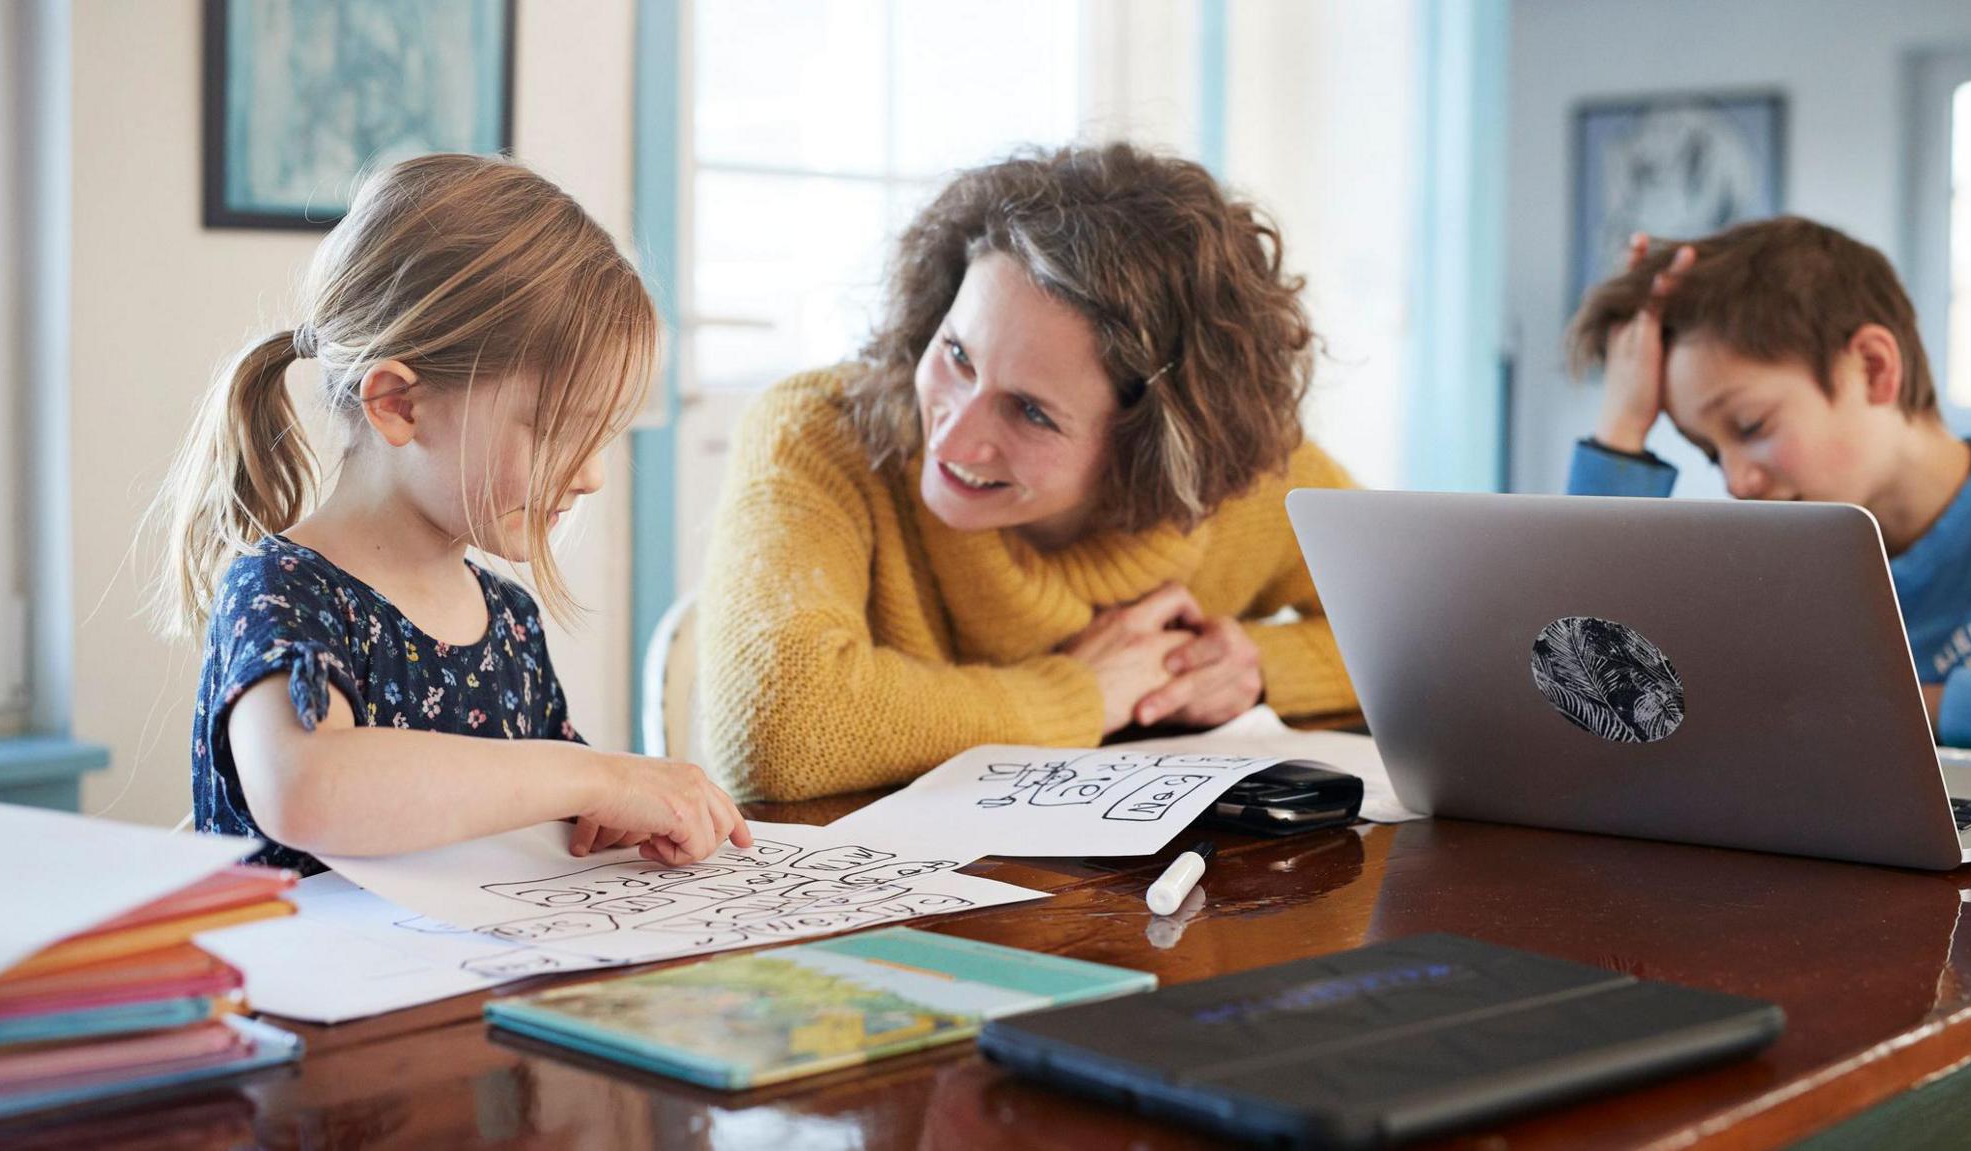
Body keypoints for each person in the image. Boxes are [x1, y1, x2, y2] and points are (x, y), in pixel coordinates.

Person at [699, 143, 1360, 802]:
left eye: (1029, 411)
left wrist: (1253, 664)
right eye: (957, 353)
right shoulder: (819, 430)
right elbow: (770, 729)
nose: (951, 433)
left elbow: (1442, 638)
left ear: (1153, 446)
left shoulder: (1247, 477)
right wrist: (1080, 695)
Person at [149, 153, 749, 874]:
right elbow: (308, 789)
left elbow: (549, 817)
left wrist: (617, 812)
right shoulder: (281, 592)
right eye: (557, 431)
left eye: (601, 440)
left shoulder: (511, 622)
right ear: (398, 404)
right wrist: (598, 776)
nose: (590, 476)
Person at [1565, 217, 1971, 749]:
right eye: (1709, 453)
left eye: (1751, 427)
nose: (1736, 483)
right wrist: (1621, 430)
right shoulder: (1776, 557)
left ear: (1872, 367)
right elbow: (1587, 688)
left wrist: (1891, 706)